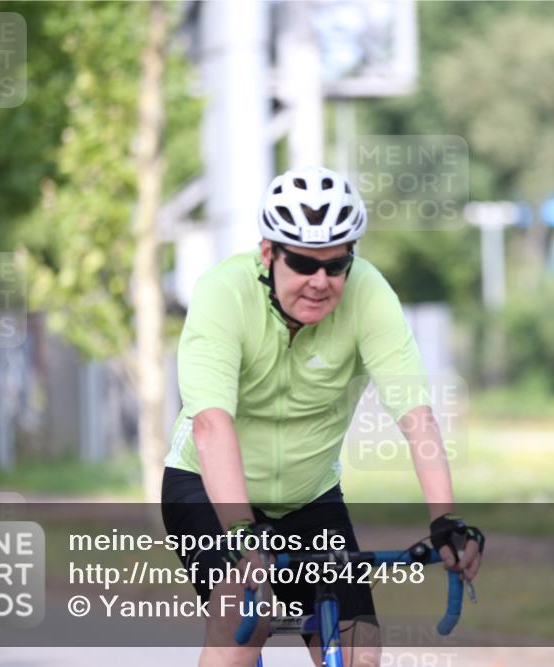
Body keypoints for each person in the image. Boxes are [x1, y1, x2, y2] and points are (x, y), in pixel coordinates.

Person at [160, 166, 484, 667]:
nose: (320, 282)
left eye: (335, 266)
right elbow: (211, 425)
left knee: (361, 649)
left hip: (309, 498)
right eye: (304, 264)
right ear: (269, 252)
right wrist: (242, 536)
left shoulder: (369, 294)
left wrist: (445, 519)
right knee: (245, 618)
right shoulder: (223, 293)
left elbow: (416, 415)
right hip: (207, 488)